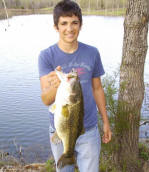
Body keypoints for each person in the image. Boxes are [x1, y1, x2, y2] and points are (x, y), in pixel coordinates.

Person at [38, 0, 112, 171]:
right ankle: (67, 155)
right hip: (60, 130)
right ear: (56, 27)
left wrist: (106, 122)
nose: (69, 29)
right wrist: (56, 87)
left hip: (89, 129)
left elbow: (97, 88)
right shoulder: (46, 56)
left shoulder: (92, 52)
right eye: (64, 23)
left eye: (74, 23)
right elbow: (46, 100)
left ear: (81, 24)